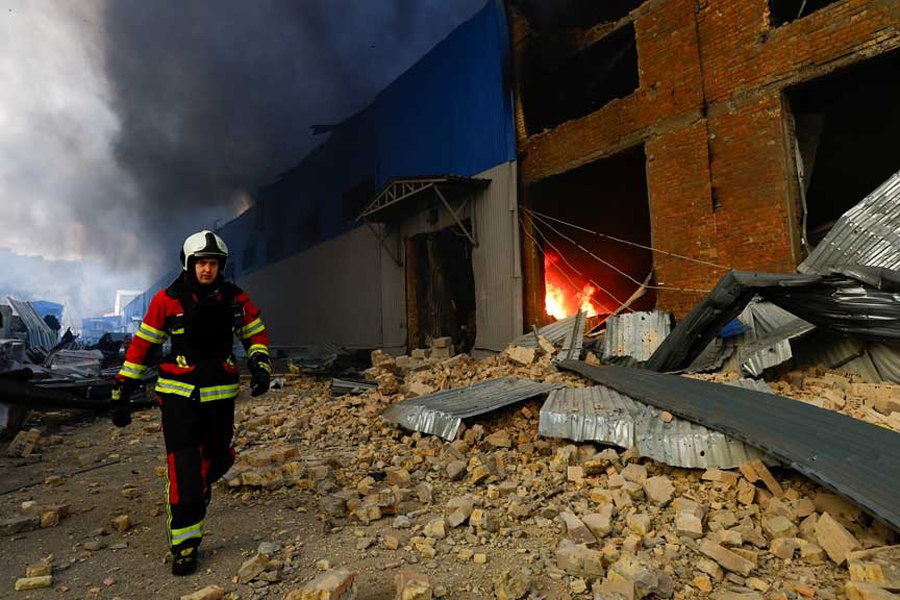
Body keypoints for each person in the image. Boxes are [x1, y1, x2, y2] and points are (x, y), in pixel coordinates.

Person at [110, 230, 271, 575]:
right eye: (201, 263)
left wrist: (260, 363)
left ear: (220, 266)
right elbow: (144, 346)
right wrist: (123, 389)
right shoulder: (167, 300)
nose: (207, 269)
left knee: (217, 458)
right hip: (178, 397)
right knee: (184, 469)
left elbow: (254, 330)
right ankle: (185, 546)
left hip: (220, 396)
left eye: (213, 263)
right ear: (188, 264)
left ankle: (201, 482)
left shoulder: (233, 298)